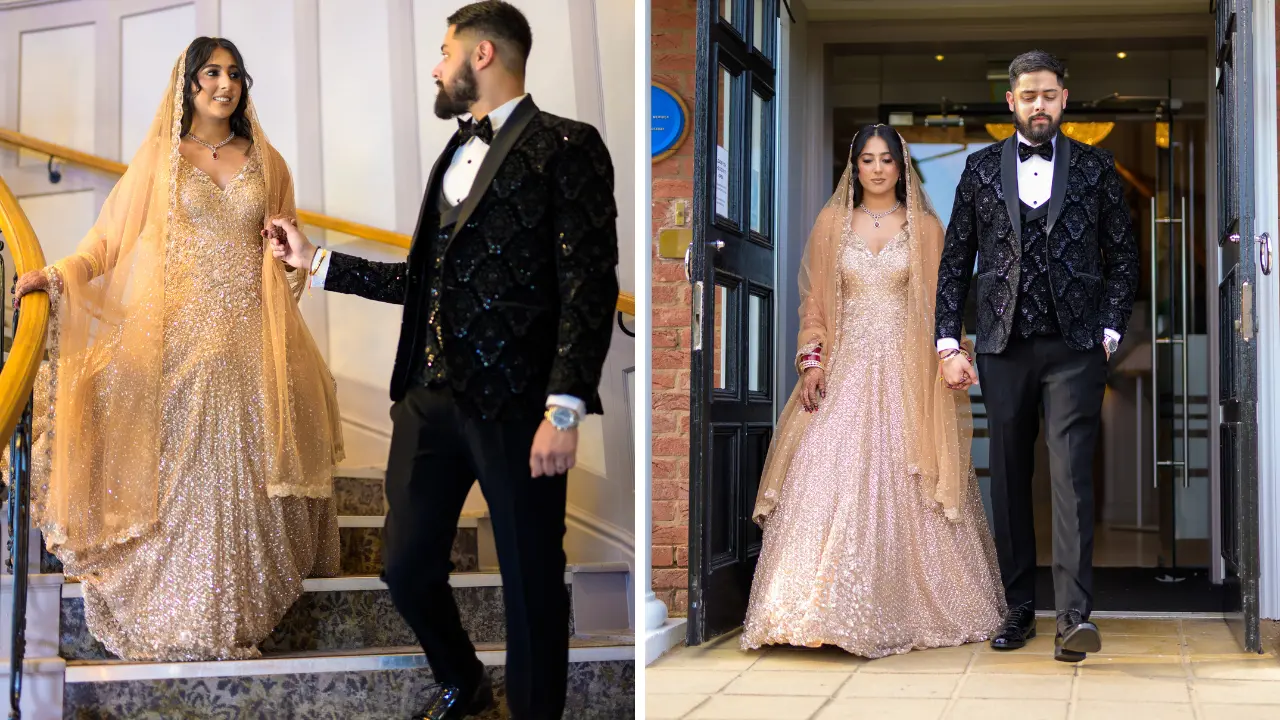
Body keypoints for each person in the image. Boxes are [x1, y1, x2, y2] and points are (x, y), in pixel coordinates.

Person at [267, 2, 617, 717]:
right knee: (405, 565)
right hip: (426, 398)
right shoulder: (451, 155)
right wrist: (318, 261)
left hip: (520, 407)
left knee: (529, 581)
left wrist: (566, 405)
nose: (435, 65)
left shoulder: (567, 145)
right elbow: (422, 280)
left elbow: (588, 285)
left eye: (443, 50)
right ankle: (463, 679)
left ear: (481, 55)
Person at [10, 38, 344, 661]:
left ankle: (232, 614)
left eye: (235, 73)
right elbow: (106, 243)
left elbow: (290, 255)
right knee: (183, 477)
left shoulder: (267, 162)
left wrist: (285, 254)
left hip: (248, 342)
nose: (225, 84)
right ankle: (180, 613)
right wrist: (57, 277)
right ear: (187, 83)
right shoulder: (160, 160)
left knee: (241, 479)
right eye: (211, 73)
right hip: (179, 339)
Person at [741, 125, 1005, 658]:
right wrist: (812, 361)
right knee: (825, 470)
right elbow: (814, 301)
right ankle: (811, 610)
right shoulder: (832, 224)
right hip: (845, 368)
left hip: (909, 373)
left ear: (902, 167)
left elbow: (941, 304)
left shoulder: (926, 228)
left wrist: (951, 354)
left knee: (912, 475)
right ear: (854, 167)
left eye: (887, 159)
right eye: (868, 159)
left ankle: (906, 608)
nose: (878, 168)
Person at [936, 50, 1139, 662]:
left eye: (1049, 95)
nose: (1039, 105)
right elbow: (955, 263)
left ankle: (1074, 617)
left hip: (1075, 348)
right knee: (1009, 481)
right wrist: (949, 342)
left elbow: (1123, 260)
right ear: (1012, 103)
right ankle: (1018, 608)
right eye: (1029, 96)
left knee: (1071, 479)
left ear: (1064, 99)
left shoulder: (1099, 169)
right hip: (1001, 348)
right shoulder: (975, 170)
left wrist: (1107, 332)